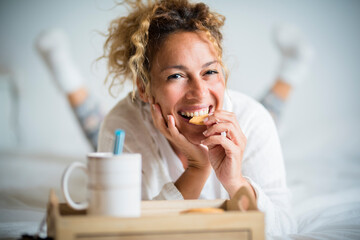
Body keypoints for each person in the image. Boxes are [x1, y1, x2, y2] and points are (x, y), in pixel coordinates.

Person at [96, 0, 297, 236]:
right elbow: (126, 232)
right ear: (144, 88)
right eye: (176, 76)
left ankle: (291, 69)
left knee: (271, 111)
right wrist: (197, 168)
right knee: (94, 128)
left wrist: (236, 183)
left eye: (210, 72)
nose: (200, 92)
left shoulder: (253, 119)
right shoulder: (122, 126)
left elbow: (284, 228)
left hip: (256, 112)